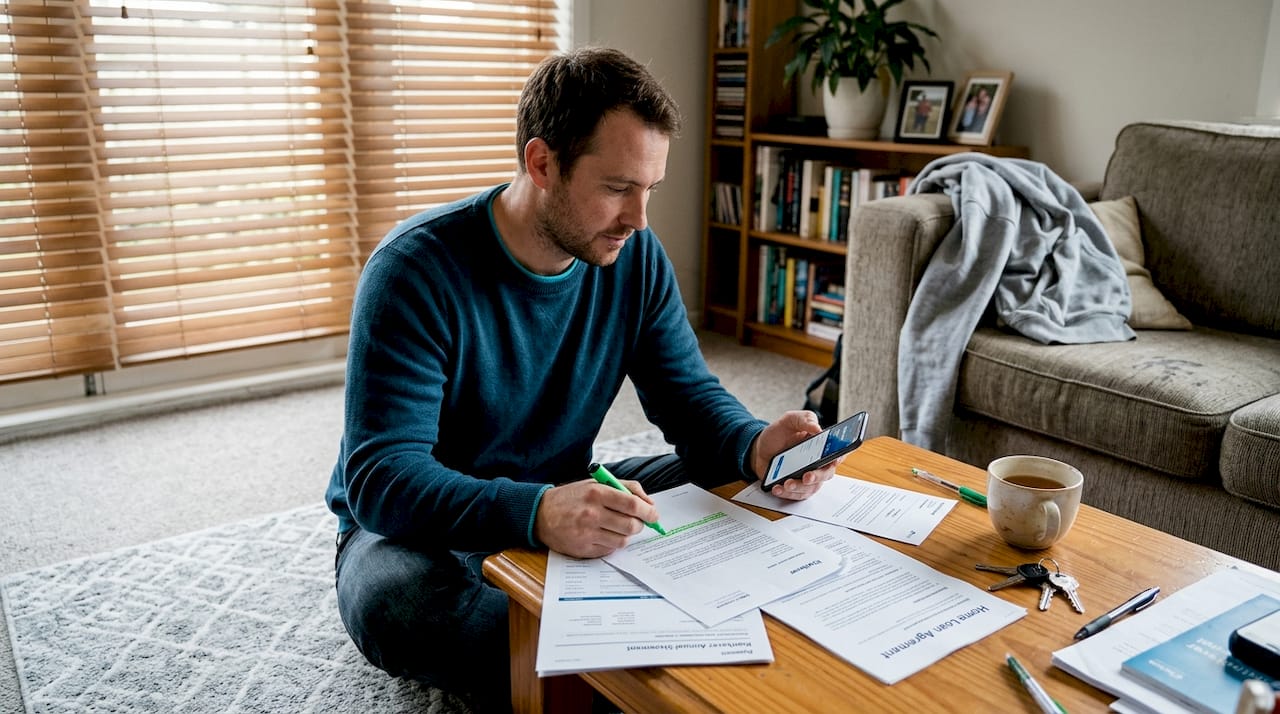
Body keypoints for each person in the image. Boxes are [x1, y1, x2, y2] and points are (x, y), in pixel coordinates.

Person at [325, 46, 840, 712]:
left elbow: (686, 396)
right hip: (418, 527)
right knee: (397, 606)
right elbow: (382, 478)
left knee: (733, 485)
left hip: (564, 487)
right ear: (542, 163)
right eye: (619, 188)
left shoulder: (633, 255)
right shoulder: (414, 272)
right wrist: (535, 512)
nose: (640, 218)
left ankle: (628, 651)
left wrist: (755, 445)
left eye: (649, 189)